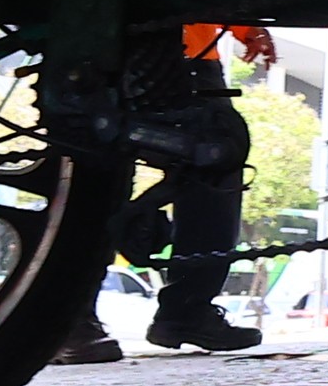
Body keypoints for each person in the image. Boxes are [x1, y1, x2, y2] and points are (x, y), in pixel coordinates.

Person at [57, 21, 270, 362]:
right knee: (93, 169)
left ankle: (186, 310)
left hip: (186, 47)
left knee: (214, 154)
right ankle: (68, 318)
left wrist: (247, 28)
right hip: (119, 40)